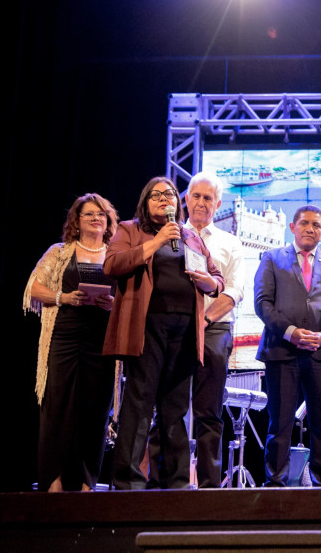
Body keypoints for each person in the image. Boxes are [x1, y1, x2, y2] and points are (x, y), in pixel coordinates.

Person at [103, 176, 224, 490]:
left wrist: (210, 284)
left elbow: (216, 277)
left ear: (176, 202)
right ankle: (129, 481)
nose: (163, 199)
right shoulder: (129, 230)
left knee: (175, 407)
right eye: (155, 195)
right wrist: (155, 243)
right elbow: (112, 265)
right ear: (145, 201)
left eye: (169, 194)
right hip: (146, 327)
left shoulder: (190, 237)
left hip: (184, 330)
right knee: (139, 402)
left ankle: (176, 483)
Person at [148, 171, 245, 489]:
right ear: (185, 200)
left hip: (213, 330)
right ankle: (163, 481)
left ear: (218, 204)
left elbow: (234, 292)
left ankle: (208, 487)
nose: (201, 202)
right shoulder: (168, 235)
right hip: (172, 329)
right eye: (196, 196)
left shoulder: (231, 243)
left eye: (208, 198)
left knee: (208, 412)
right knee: (167, 407)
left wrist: (202, 322)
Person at [23, 193, 118, 492]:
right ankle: (53, 481)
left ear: (108, 222)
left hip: (101, 341)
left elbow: (131, 299)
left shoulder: (116, 255)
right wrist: (63, 297)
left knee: (95, 410)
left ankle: (87, 482)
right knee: (58, 407)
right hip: (63, 337)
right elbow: (33, 287)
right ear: (76, 222)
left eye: (101, 214)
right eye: (89, 214)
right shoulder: (60, 252)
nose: (95, 218)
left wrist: (113, 304)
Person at [255, 205, 321, 486]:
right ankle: (276, 484)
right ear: (292, 227)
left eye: (317, 225)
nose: (311, 228)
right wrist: (290, 332)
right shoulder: (272, 258)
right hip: (282, 351)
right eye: (305, 223)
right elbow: (263, 304)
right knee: (280, 423)